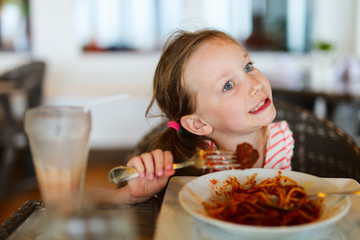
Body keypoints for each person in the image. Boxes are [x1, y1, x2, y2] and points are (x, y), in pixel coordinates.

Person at [111, 28, 294, 204]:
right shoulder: (194, 161)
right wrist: (134, 196)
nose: (255, 85)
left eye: (247, 67)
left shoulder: (281, 140)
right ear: (198, 123)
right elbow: (98, 207)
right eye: (228, 85)